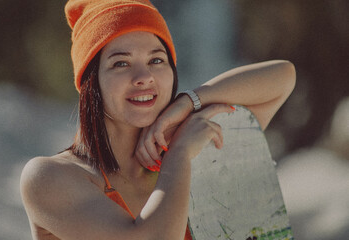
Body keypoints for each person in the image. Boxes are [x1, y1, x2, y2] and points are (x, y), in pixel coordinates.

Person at [20, 0, 296, 239]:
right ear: (92, 82)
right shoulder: (48, 178)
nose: (144, 77)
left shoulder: (197, 148)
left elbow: (282, 78)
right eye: (121, 63)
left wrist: (190, 101)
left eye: (157, 60)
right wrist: (179, 155)